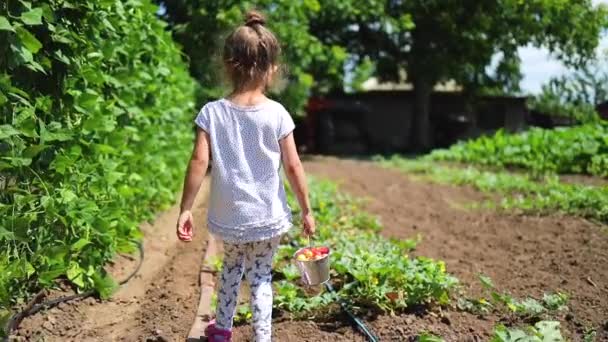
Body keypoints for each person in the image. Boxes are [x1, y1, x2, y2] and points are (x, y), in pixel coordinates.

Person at [175, 10, 315, 342]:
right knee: (261, 277)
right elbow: (294, 166)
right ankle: (262, 337)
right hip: (267, 216)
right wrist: (307, 209)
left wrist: (186, 207)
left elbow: (198, 162)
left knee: (230, 271)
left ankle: (221, 330)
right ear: (272, 68)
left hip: (230, 215)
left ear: (227, 64)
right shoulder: (277, 114)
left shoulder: (212, 113)